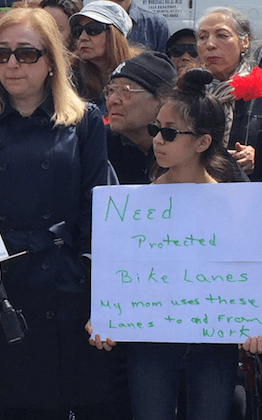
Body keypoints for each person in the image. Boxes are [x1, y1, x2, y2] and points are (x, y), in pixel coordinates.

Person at [0, 7, 126, 420]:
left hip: (62, 289)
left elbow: (97, 211)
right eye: (1, 53)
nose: (12, 63)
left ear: (50, 62)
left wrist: (97, 291)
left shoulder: (84, 120)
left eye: (26, 53)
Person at [88, 67, 262, 420]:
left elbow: (249, 273)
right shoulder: (130, 206)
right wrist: (104, 315)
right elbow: (117, 271)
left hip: (215, 345)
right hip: (151, 347)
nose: (157, 140)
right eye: (156, 129)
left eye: (169, 133)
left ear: (203, 142)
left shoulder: (237, 205)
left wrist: (255, 323)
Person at [197, 7, 262, 181]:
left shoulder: (259, 88)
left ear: (244, 42)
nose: (210, 44)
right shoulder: (189, 91)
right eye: (202, 37)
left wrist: (256, 157)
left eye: (222, 35)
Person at [105, 51, 177, 184]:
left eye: (125, 91)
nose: (112, 100)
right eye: (111, 90)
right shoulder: (99, 144)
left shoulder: (184, 146)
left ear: (162, 100)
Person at [69, 0, 138, 112]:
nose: (82, 37)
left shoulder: (139, 74)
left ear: (114, 35)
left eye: (92, 29)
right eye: (78, 31)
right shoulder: (70, 77)